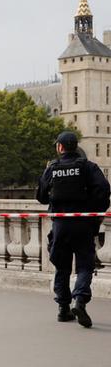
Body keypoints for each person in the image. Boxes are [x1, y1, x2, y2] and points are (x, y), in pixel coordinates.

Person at [37, 131, 110, 328]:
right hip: (84, 223)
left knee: (62, 266)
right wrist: (93, 211)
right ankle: (80, 300)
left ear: (60, 147)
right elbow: (104, 189)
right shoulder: (87, 167)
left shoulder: (52, 168)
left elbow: (42, 197)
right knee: (85, 265)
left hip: (61, 225)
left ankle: (63, 308)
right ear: (76, 147)